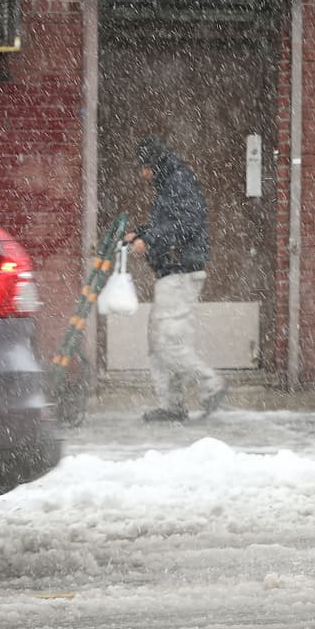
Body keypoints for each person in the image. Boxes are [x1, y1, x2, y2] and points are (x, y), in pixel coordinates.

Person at [124, 135, 228, 423]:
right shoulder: (168, 184)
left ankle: (210, 383)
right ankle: (172, 404)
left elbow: (188, 223)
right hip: (171, 271)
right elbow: (168, 223)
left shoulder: (177, 182)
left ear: (153, 165)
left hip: (180, 271)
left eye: (143, 167)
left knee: (167, 342)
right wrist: (141, 233)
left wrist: (151, 239)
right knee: (160, 342)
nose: (141, 173)